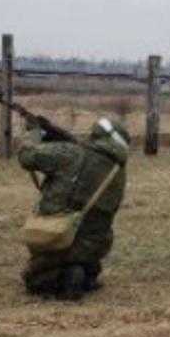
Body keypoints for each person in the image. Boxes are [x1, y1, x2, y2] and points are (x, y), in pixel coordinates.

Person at [18, 116, 129, 300]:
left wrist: (33, 134)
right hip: (94, 244)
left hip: (59, 235)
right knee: (88, 235)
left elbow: (27, 157)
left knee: (34, 280)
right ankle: (86, 272)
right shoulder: (118, 171)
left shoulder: (71, 154)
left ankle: (66, 276)